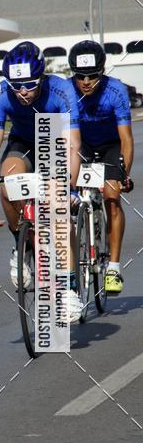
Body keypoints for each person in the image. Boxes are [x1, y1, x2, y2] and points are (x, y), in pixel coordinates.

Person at [0, 41, 83, 321]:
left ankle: (69, 287)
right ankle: (22, 244)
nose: (22, 92)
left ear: (42, 77)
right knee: (7, 183)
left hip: (55, 141)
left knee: (58, 211)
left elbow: (73, 145)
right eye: (16, 86)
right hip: (23, 143)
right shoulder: (1, 94)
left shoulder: (61, 90)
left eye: (29, 85)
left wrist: (70, 187)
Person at [68, 39, 134, 294]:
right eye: (80, 76)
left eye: (93, 76)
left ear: (102, 72)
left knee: (112, 197)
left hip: (110, 146)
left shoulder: (116, 91)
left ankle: (114, 268)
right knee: (67, 199)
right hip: (81, 146)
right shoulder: (66, 91)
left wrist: (124, 174)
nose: (86, 82)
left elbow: (126, 139)